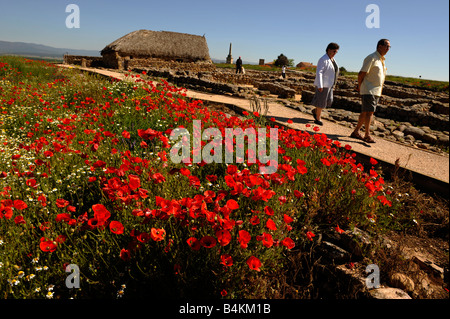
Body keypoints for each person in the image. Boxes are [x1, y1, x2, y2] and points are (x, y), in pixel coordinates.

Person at [350, 39, 390, 143]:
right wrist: (360, 86)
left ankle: (356, 132)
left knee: (365, 112)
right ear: (379, 46)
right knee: (369, 112)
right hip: (369, 89)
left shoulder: (381, 60)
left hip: (376, 90)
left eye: (389, 47)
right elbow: (361, 74)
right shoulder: (372, 57)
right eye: (386, 46)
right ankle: (367, 135)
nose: (388, 49)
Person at [311, 42, 340, 126]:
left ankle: (315, 111)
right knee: (321, 102)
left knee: (329, 100)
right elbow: (319, 72)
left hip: (330, 84)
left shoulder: (333, 60)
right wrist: (320, 85)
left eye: (336, 52)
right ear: (329, 50)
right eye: (334, 51)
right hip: (323, 84)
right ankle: (317, 118)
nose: (335, 53)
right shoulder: (323, 59)